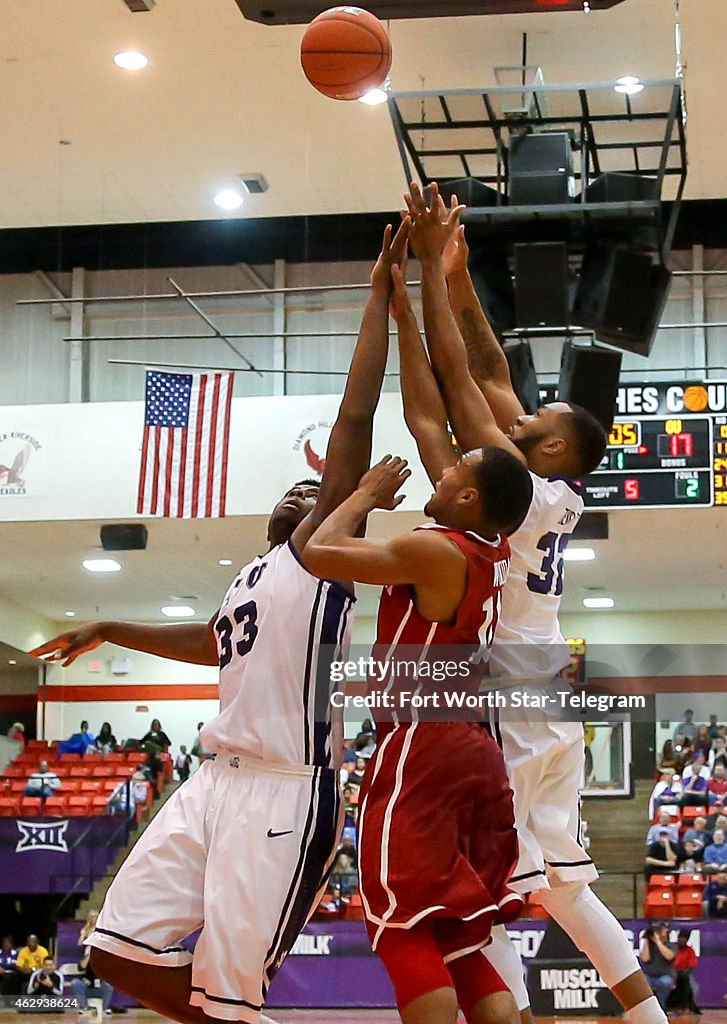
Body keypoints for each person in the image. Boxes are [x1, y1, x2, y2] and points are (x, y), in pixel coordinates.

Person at [30, 220, 409, 1024]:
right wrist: (109, 627)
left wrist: (377, 298)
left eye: (316, 495)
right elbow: (210, 644)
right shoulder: (252, 574)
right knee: (114, 950)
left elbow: (351, 420)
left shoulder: (319, 559)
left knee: (231, 987)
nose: (299, 495)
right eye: (295, 491)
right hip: (214, 783)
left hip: (283, 792)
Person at [402, 181, 662, 1024]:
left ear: (547, 446)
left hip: (514, 680)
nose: (521, 403)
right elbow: (485, 366)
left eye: (535, 412)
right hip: (545, 675)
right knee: (560, 881)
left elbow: (459, 377)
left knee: (492, 883)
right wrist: (458, 274)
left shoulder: (518, 490)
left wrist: (428, 288)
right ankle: (647, 1016)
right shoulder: (554, 488)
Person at [304, 248, 533, 1024]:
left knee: (396, 919)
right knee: (457, 933)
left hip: (423, 742)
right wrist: (404, 313)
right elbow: (427, 414)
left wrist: (362, 494)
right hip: (473, 747)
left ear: (467, 493)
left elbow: (318, 550)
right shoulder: (488, 543)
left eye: (452, 470)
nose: (439, 470)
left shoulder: (433, 547)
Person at [73, 915, 113, 1017]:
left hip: (99, 984)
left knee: (109, 986)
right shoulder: (87, 957)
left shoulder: (103, 959)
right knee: (76, 983)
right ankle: (84, 1007)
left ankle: (105, 1008)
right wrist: (89, 955)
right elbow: (81, 967)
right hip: (87, 982)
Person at [639, 924, 675, 1011]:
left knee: (665, 982)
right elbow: (645, 958)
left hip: (664, 975)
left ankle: (660, 1008)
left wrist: (658, 942)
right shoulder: (649, 946)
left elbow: (669, 956)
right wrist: (648, 940)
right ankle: (645, 1009)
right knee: (641, 983)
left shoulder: (671, 945)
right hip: (649, 975)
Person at [669, 931, 700, 1014]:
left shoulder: (690, 950)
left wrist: (684, 973)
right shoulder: (672, 947)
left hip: (684, 973)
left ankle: (687, 1006)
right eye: (680, 938)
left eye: (684, 938)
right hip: (671, 972)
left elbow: (692, 965)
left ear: (687, 940)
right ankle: (672, 1006)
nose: (681, 940)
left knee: (694, 987)